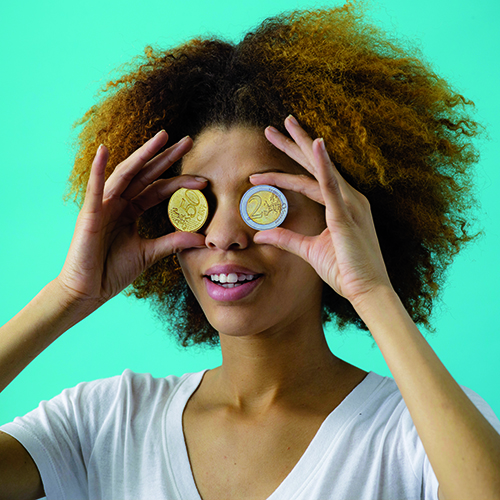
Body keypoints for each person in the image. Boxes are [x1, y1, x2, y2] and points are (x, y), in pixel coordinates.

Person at [0, 4, 499, 500]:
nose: (223, 235)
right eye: (197, 201)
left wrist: (373, 289)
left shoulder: (421, 432)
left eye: (264, 202)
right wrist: (68, 295)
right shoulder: (103, 423)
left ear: (342, 216)